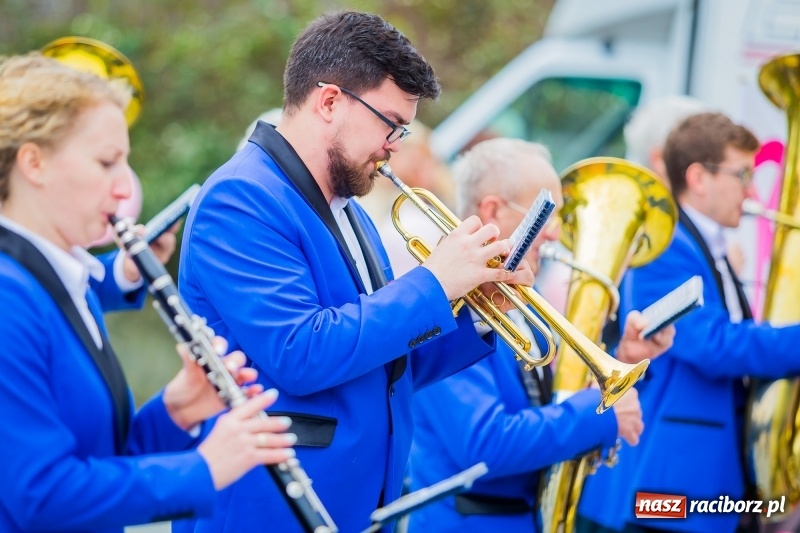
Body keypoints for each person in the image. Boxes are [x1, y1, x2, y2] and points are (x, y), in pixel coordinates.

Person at [176, 10, 534, 533]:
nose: (397, 145)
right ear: (329, 101)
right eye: (390, 124)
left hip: (362, 506)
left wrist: (478, 315)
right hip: (271, 510)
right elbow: (302, 352)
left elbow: (384, 364)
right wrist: (435, 282)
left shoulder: (351, 207)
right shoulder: (241, 198)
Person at [0, 53, 297, 533]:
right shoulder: (9, 296)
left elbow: (99, 458)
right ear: (33, 162)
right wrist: (205, 469)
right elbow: (42, 496)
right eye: (106, 162)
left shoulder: (59, 279)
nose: (124, 189)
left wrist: (176, 411)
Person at [406, 138, 675, 532]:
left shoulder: (521, 301)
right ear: (492, 210)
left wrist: (626, 358)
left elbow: (550, 406)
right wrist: (596, 418)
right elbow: (484, 445)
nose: (553, 235)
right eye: (543, 214)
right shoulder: (445, 309)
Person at [577, 112, 800, 533]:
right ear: (698, 177)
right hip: (671, 482)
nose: (751, 191)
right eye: (742, 175)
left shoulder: (706, 244)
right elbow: (712, 345)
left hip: (703, 478)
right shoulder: (667, 245)